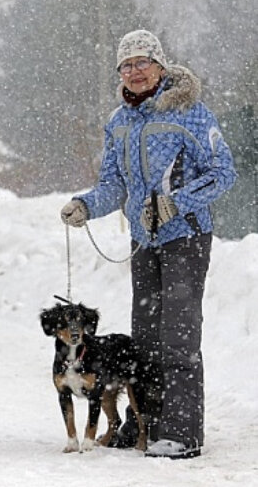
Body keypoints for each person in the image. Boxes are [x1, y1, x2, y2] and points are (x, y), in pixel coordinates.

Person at [60, 29, 236, 459]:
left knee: (177, 336)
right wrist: (86, 205)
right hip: (144, 243)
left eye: (143, 62)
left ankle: (181, 434)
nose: (135, 72)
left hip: (186, 238)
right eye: (126, 65)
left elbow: (222, 172)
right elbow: (113, 185)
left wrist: (176, 203)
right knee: (145, 341)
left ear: (160, 66)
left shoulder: (190, 113)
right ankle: (148, 425)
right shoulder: (119, 123)